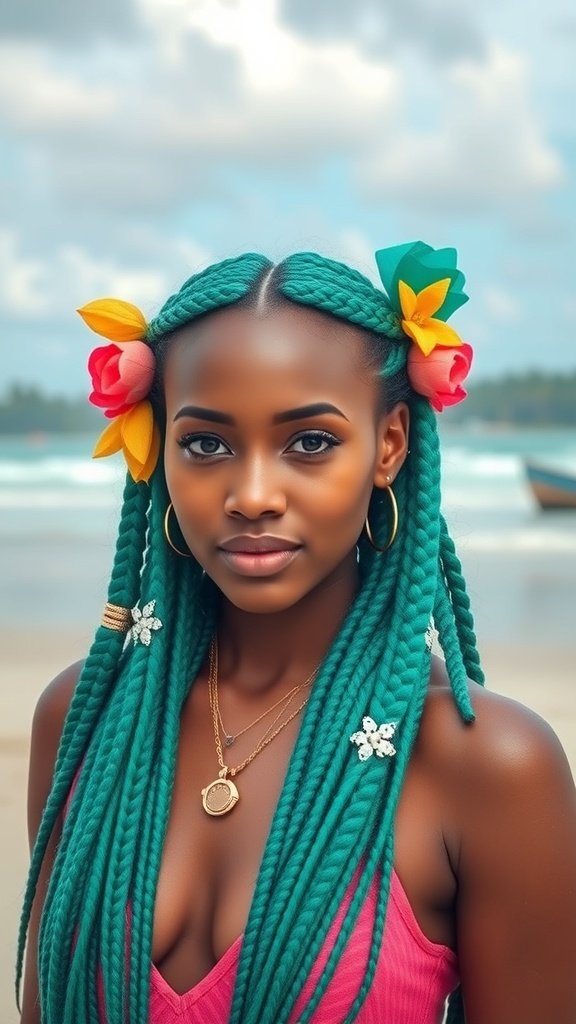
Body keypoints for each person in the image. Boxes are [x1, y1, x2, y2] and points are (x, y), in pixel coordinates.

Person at [17, 242, 576, 1024]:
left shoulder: (487, 764)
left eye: (309, 442)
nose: (251, 494)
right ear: (159, 449)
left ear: (389, 446)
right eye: (205, 443)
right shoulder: (83, 717)